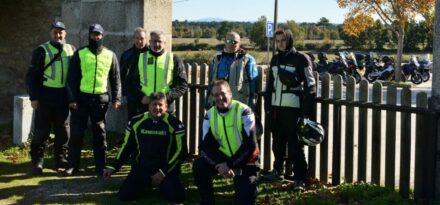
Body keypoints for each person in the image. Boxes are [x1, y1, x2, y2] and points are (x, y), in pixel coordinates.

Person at [103, 92, 187, 203]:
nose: (157, 108)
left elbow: (182, 151)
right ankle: (146, 183)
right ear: (148, 106)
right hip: (142, 168)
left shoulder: (175, 124)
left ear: (166, 107)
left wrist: (163, 173)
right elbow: (127, 146)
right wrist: (113, 167)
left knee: (177, 197)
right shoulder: (135, 121)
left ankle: (163, 184)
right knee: (125, 195)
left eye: (160, 105)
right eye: (154, 104)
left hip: (164, 170)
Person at [262, 29, 316, 192]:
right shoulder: (275, 59)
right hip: (275, 109)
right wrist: (268, 107)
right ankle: (277, 171)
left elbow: (310, 85)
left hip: (293, 110)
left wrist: (305, 113)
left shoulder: (301, 58)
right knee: (277, 143)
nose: (280, 44)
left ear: (290, 40)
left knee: (295, 146)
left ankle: (300, 178)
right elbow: (270, 84)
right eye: (277, 41)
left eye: (283, 40)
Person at [64, 23, 122, 177]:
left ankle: (100, 167)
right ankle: (72, 166)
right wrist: (72, 99)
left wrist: (116, 98)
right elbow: (72, 78)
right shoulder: (80, 53)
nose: (96, 37)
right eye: (93, 34)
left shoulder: (110, 55)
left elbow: (115, 79)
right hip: (82, 99)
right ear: (89, 35)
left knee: (100, 135)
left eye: (98, 34)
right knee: (76, 134)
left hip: (101, 100)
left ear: (102, 36)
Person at [193, 80, 259, 205]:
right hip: (223, 159)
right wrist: (219, 164)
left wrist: (229, 164)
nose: (220, 98)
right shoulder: (209, 115)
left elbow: (251, 145)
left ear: (230, 94)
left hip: (245, 160)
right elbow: (204, 147)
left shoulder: (244, 111)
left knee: (244, 201)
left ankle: (251, 187)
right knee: (199, 165)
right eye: (216, 95)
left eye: (223, 93)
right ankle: (207, 200)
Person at [25, 21, 75, 174]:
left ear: (65, 34)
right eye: (55, 32)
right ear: (50, 33)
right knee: (41, 131)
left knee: (63, 131)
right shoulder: (41, 50)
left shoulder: (71, 49)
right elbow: (31, 77)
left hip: (62, 96)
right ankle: (37, 162)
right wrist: (34, 98)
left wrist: (73, 98)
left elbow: (75, 76)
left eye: (61, 32)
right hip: (45, 95)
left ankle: (60, 159)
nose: (58, 35)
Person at [133, 30, 187, 114]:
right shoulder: (140, 58)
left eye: (160, 41)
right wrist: (141, 97)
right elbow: (130, 83)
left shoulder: (174, 59)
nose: (157, 44)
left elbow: (182, 85)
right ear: (150, 42)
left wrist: (167, 97)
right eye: (154, 41)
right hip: (144, 107)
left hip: (166, 107)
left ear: (165, 43)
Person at [204, 31, 258, 111]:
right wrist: (208, 100)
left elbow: (252, 85)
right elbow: (211, 81)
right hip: (218, 103)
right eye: (229, 41)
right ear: (225, 42)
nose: (231, 44)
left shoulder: (248, 60)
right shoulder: (217, 59)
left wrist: (251, 105)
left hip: (239, 105)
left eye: (234, 42)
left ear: (239, 43)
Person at [120, 27, 149, 118]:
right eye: (137, 38)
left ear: (146, 39)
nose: (139, 41)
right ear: (133, 39)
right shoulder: (126, 55)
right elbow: (122, 76)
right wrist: (124, 93)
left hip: (147, 95)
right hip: (132, 94)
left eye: (142, 38)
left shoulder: (152, 54)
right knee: (133, 121)